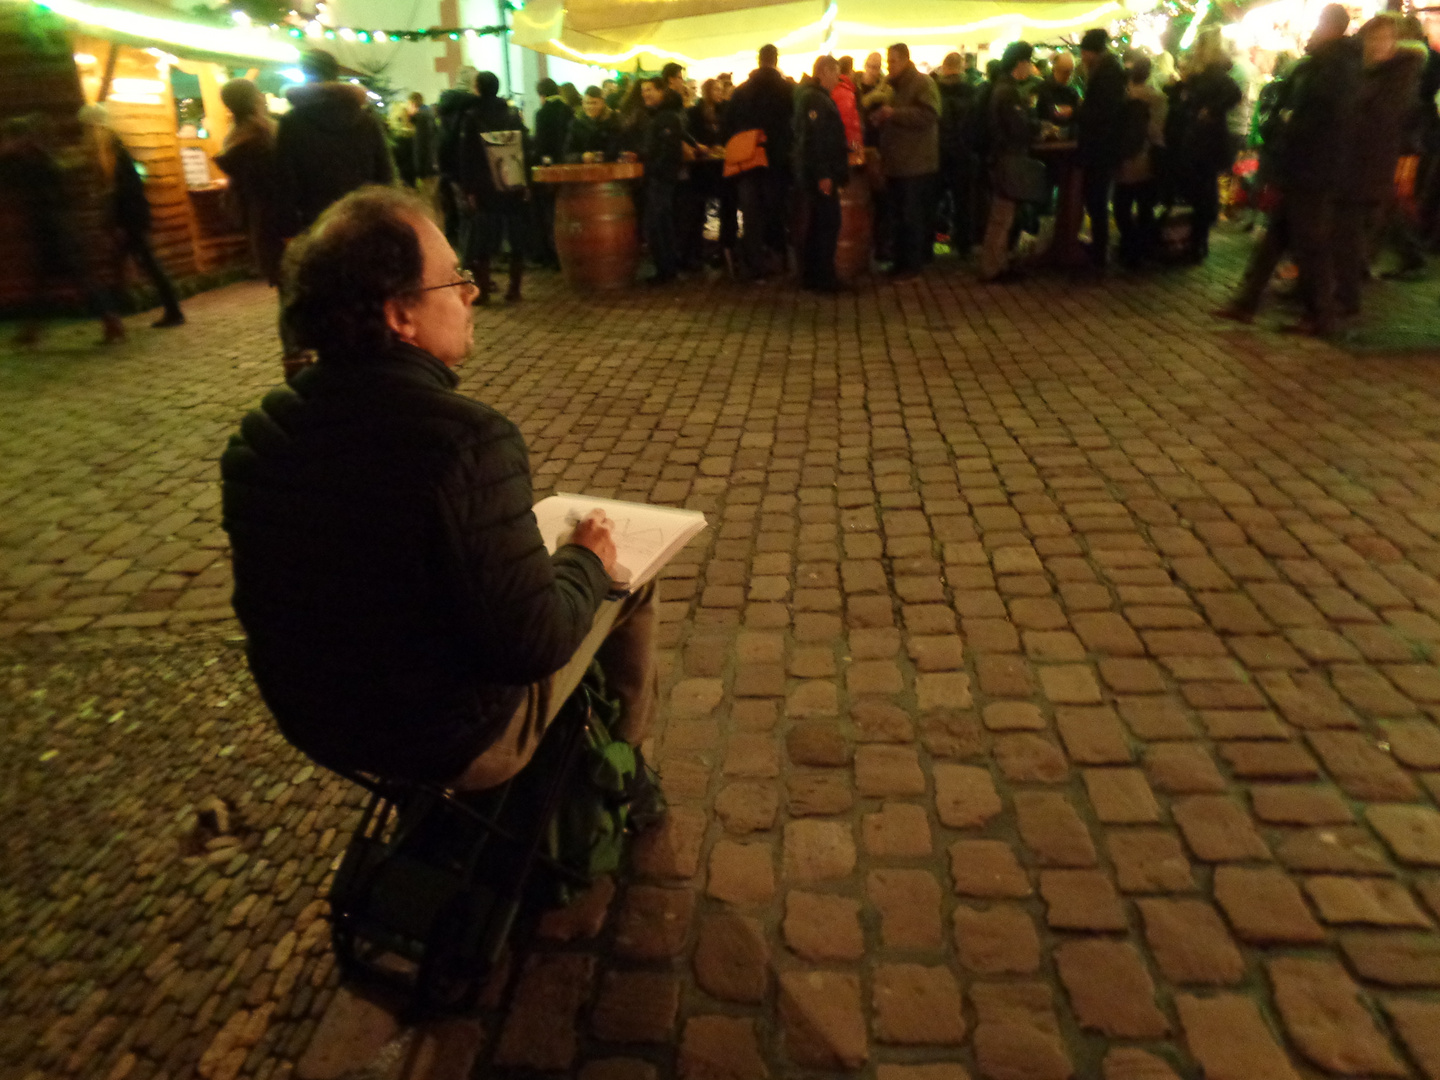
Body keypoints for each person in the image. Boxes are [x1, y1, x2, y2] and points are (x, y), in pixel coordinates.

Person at [220, 186, 657, 789]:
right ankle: (626, 779)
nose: (471, 293)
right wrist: (586, 560)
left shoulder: (262, 428)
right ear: (399, 314)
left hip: (313, 719)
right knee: (630, 581)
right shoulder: (465, 440)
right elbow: (535, 643)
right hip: (441, 736)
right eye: (454, 280)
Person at [1217, 3, 1359, 334]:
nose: (1312, 32)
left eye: (1320, 26)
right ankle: (1246, 302)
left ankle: (1320, 316)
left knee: (1309, 243)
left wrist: (1289, 124)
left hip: (1313, 170)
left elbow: (1321, 119)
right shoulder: (1320, 65)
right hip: (1300, 166)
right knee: (1275, 238)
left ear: (1333, 29)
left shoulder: (1336, 68)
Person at [1, 115, 123, 345]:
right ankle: (32, 331)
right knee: (44, 283)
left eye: (12, 137)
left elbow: (11, 178)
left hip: (55, 230)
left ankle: (111, 321)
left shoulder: (31, 159)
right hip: (54, 228)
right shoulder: (38, 156)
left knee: (80, 280)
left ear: (21, 138)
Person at [1335, 13, 1424, 313]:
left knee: (1351, 228)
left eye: (1383, 38)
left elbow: (1381, 119)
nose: (1375, 44)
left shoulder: (1397, 75)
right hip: (1354, 163)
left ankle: (1347, 298)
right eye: (1372, 37)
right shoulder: (1369, 72)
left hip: (1370, 165)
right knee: (1350, 229)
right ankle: (1347, 285)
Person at [79, 104, 186, 328]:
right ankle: (118, 316)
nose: (85, 134)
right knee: (132, 264)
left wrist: (121, 224)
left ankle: (118, 317)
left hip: (129, 221)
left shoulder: (113, 151)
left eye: (87, 127)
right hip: (128, 219)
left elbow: (125, 191)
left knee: (142, 264)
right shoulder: (111, 150)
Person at [274, 48, 394, 237]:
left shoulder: (292, 123)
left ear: (304, 74)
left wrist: (289, 231)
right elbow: (385, 175)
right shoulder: (366, 120)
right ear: (335, 73)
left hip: (318, 225)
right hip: (366, 221)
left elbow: (285, 183)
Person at [455, 70, 531, 304]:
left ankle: (485, 290)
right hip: (512, 180)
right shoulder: (511, 114)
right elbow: (525, 148)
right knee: (516, 234)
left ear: (478, 88)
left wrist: (469, 188)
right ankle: (514, 289)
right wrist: (526, 180)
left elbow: (467, 155)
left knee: (484, 238)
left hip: (485, 184)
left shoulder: (473, 116)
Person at [725, 44, 796, 280]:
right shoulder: (787, 90)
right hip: (776, 159)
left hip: (747, 161)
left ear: (758, 60)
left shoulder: (742, 91)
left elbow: (728, 125)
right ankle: (777, 256)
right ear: (776, 60)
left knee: (751, 213)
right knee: (777, 209)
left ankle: (754, 263)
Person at [870, 42, 941, 280]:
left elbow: (930, 115)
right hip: (896, 164)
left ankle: (912, 264)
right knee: (898, 216)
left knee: (912, 216)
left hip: (916, 163)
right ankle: (900, 262)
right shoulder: (891, 86)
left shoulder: (922, 83)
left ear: (905, 60)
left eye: (893, 61)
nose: (889, 66)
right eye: (888, 62)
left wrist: (894, 114)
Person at [1173, 32, 1242, 262]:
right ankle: (1197, 241)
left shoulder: (1214, 72)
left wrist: (1211, 110)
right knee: (1203, 190)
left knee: (1202, 191)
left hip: (1206, 141)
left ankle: (1197, 243)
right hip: (1203, 139)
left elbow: (1234, 93)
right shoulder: (1207, 72)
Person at [215, 79, 284, 287]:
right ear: (254, 100)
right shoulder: (269, 134)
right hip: (283, 213)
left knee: (279, 277)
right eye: (258, 93)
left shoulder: (233, 138)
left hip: (256, 216)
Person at [979, 41, 1037, 282]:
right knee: (1002, 214)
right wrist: (1034, 125)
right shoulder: (1008, 90)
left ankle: (997, 263)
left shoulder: (998, 86)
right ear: (1020, 63)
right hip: (1007, 157)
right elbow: (1016, 127)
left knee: (1002, 213)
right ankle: (993, 267)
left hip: (999, 156)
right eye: (1029, 62)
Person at [794, 54, 850, 292]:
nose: (838, 78)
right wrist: (824, 174)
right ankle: (823, 276)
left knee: (819, 223)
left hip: (817, 171)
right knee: (827, 223)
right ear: (824, 72)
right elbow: (817, 140)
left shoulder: (812, 96)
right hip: (820, 173)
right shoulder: (816, 99)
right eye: (835, 72)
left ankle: (813, 275)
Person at [1076, 28, 1127, 271]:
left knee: (1096, 199)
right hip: (1101, 146)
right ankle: (1098, 250)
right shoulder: (1109, 70)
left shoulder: (1108, 73)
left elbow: (1101, 112)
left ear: (1091, 51)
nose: (1082, 58)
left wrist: (1077, 112)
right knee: (1096, 200)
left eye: (1084, 52)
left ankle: (1099, 254)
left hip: (1101, 147)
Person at [1112, 53, 1167, 269]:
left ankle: (1129, 244)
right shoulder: (1158, 98)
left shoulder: (1121, 97)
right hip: (1147, 156)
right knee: (1145, 206)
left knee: (1122, 204)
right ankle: (1141, 247)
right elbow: (1157, 131)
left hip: (1124, 156)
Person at [638, 78, 685, 284]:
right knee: (660, 222)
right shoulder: (660, 116)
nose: (645, 94)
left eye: (649, 89)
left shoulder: (666, 117)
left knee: (658, 223)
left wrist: (653, 168)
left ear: (661, 92)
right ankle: (667, 268)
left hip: (661, 178)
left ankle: (666, 270)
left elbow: (668, 150)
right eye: (643, 91)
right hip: (661, 176)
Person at [934, 51, 978, 253]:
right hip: (964, 154)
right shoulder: (971, 92)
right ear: (961, 68)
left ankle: (929, 244)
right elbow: (975, 124)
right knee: (964, 203)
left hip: (940, 153)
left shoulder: (936, 91)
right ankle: (963, 245)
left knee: (934, 201)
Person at [686, 79, 732, 263]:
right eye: (717, 89)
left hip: (720, 166)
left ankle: (725, 247)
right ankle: (697, 251)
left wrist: (722, 147)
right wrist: (703, 148)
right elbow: (692, 138)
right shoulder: (695, 113)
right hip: (701, 167)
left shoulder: (724, 111)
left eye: (722, 89)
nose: (720, 93)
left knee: (726, 206)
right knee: (699, 209)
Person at [532, 78, 571, 269]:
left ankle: (553, 253)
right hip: (568, 164)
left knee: (550, 211)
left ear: (541, 94)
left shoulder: (542, 113)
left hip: (550, 167)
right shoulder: (568, 110)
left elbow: (541, 143)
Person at [565, 86, 622, 161]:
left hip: (609, 167)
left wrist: (604, 156)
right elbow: (567, 154)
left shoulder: (613, 121)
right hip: (584, 169)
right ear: (583, 104)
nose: (590, 107)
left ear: (602, 103)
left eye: (594, 103)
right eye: (587, 103)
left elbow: (618, 148)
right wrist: (582, 157)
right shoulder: (577, 123)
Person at [1035, 51, 1080, 133]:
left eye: (1071, 71)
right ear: (1055, 69)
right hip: (1047, 141)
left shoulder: (1072, 92)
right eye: (1066, 72)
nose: (1069, 76)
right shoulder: (1041, 89)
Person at [408, 91, 440, 206]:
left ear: (412, 103)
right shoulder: (428, 115)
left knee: (428, 200)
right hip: (432, 164)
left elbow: (422, 145)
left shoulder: (421, 118)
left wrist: (419, 168)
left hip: (427, 165)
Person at [834, 56, 863, 149]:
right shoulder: (845, 93)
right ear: (850, 71)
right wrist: (854, 147)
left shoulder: (838, 88)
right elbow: (848, 124)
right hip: (849, 148)